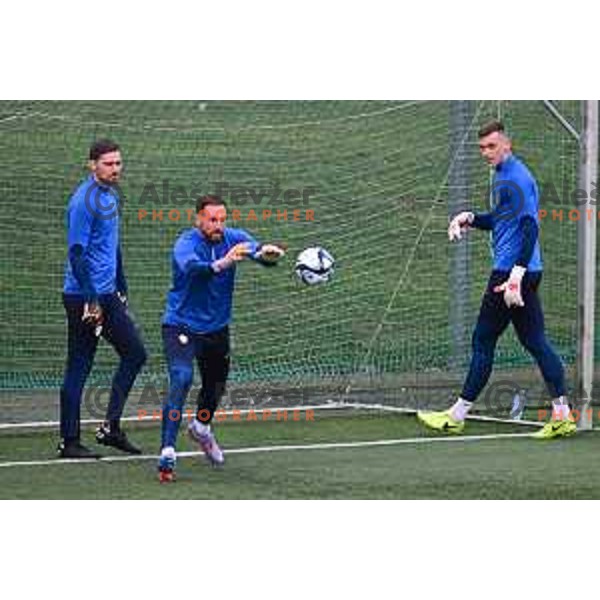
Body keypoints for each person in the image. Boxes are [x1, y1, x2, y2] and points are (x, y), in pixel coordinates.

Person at [418, 120, 575, 440]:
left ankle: (456, 415)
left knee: (483, 340)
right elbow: (502, 222)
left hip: (510, 272)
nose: (486, 153)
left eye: (492, 146)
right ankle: (563, 414)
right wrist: (471, 218)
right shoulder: (503, 176)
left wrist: (516, 274)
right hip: (522, 271)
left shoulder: (516, 178)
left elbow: (531, 227)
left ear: (507, 145)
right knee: (534, 340)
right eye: (482, 148)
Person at [158, 195, 286, 482]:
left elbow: (256, 252)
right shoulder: (186, 243)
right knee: (181, 377)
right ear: (198, 220)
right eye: (212, 220)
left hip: (216, 329)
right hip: (181, 325)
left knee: (215, 387)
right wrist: (224, 263)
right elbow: (194, 269)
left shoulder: (234, 238)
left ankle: (202, 429)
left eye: (222, 219)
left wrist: (268, 254)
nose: (218, 225)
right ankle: (167, 449)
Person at [59, 140, 147, 459]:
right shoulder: (83, 202)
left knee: (135, 353)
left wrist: (120, 287)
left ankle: (110, 428)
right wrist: (92, 300)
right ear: (92, 165)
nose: (115, 169)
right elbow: (77, 253)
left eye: (118, 163)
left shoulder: (109, 196)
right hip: (84, 296)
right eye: (108, 164)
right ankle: (69, 441)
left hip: (108, 294)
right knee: (80, 365)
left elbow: (112, 246)